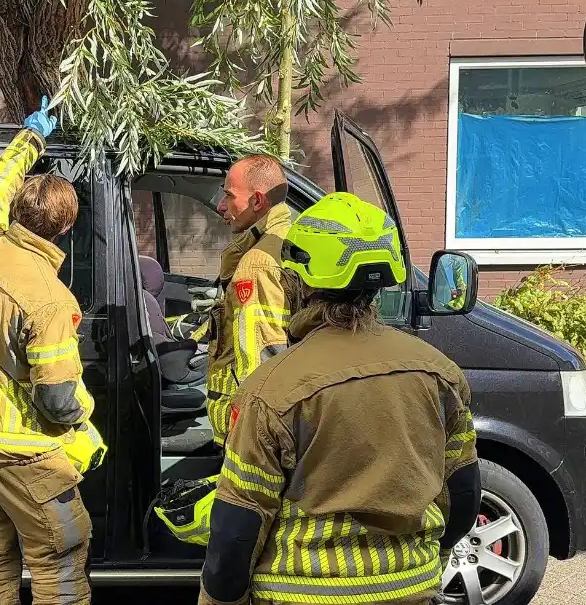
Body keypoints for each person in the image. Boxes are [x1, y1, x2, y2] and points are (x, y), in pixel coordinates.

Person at [196, 192, 481, 605]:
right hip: (411, 590)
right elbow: (464, 492)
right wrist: (427, 562)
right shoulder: (439, 373)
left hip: (300, 593)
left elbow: (236, 528)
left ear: (298, 281)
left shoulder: (270, 390)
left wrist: (221, 600)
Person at [0, 97, 106, 605]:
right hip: (26, 456)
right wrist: (87, 418)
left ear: (17, 212)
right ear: (66, 228)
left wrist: (31, 138)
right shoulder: (51, 301)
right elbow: (56, 400)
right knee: (60, 563)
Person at [203, 154, 293, 446]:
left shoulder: (256, 264)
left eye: (229, 195)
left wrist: (248, 440)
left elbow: (257, 365)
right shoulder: (283, 240)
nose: (220, 206)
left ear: (257, 201)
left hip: (250, 435)